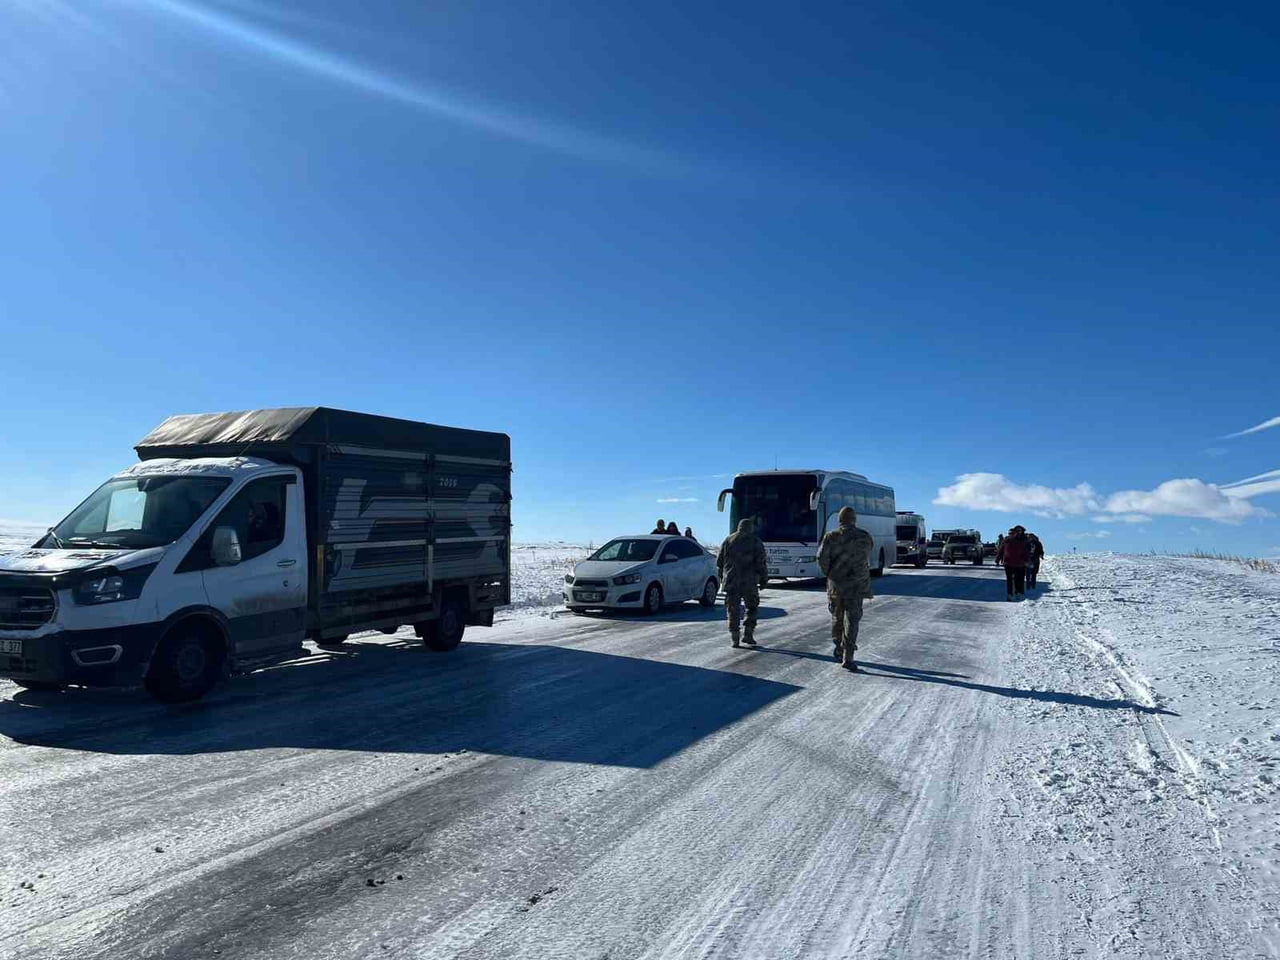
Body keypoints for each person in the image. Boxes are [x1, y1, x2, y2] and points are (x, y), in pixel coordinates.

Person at [817, 507, 874, 671]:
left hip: (837, 584)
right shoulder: (864, 536)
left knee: (837, 616)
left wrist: (829, 573)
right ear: (854, 520)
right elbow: (868, 552)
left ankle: (838, 647)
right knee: (853, 620)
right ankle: (848, 656)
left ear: (840, 520)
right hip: (857, 585)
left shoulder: (831, 537)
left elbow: (821, 558)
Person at [717, 518, 768, 648]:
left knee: (732, 609)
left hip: (731, 581)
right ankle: (748, 633)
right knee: (752, 607)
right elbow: (760, 562)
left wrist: (722, 576)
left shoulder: (728, 540)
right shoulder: (755, 541)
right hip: (749, 581)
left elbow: (719, 561)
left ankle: (734, 637)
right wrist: (763, 578)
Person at [996, 526, 1030, 600]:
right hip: (1019, 563)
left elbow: (1001, 550)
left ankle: (1010, 594)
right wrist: (1027, 561)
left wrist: (998, 559)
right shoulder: (1022, 541)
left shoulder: (1007, 540)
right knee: (1018, 579)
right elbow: (1025, 552)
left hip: (1009, 563)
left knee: (1010, 580)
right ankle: (1018, 593)